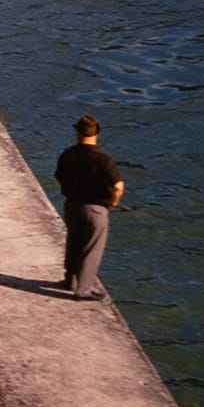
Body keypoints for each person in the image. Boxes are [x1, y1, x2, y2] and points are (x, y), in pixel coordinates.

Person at [54, 114, 125, 300]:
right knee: (91, 249)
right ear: (97, 133)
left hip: (72, 205)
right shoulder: (104, 159)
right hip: (96, 209)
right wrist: (112, 203)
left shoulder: (68, 154)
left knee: (73, 243)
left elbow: (59, 177)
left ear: (78, 133)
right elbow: (118, 186)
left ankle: (70, 280)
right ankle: (83, 290)